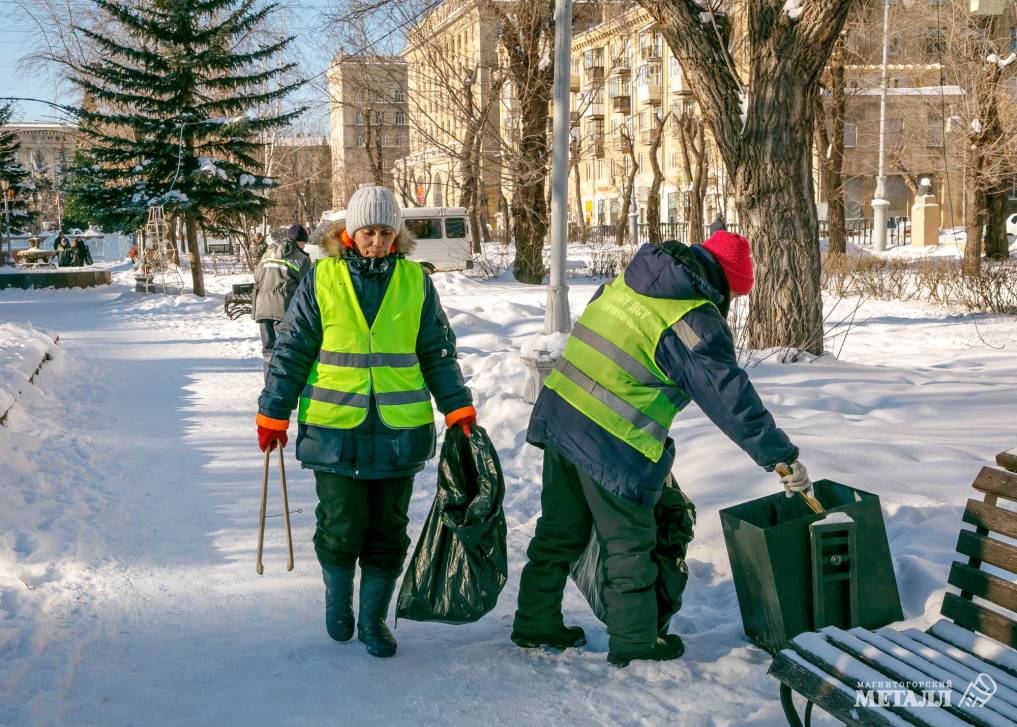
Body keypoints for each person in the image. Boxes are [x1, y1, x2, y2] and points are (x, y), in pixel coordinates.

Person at [513, 231, 811, 668]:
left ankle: (535, 622)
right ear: (725, 285)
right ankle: (635, 644)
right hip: (612, 440)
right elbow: (729, 398)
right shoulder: (693, 320)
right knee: (629, 542)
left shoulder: (630, 281)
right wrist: (779, 456)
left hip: (560, 414)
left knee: (560, 530)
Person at [255, 185, 477, 658]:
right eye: (367, 232)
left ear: (397, 235)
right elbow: (292, 349)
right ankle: (339, 604)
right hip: (335, 430)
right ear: (349, 234)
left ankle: (375, 620)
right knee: (341, 523)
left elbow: (436, 351)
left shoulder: (416, 281)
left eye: (384, 232)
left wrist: (457, 405)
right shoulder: (321, 279)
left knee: (389, 528)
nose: (376, 241)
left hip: (399, 431)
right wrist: (273, 411)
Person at [252, 224, 312, 373]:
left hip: (262, 308)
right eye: (303, 243)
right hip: (283, 309)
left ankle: (269, 386)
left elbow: (257, 279)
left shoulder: (268, 253)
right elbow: (306, 288)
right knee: (285, 350)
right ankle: (282, 388)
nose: (304, 246)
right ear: (298, 242)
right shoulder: (302, 259)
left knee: (268, 351)